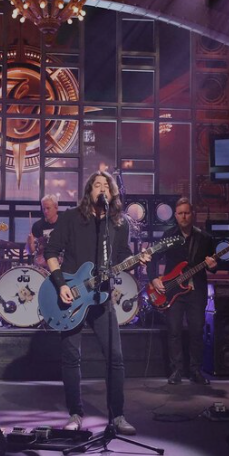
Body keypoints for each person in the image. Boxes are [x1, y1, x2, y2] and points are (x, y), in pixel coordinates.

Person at [44, 170, 150, 435]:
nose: (102, 188)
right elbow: (51, 252)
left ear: (112, 193)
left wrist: (138, 260)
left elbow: (123, 257)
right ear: (89, 191)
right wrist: (61, 284)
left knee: (115, 357)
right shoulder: (71, 218)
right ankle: (75, 414)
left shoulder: (119, 224)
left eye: (107, 185)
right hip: (72, 295)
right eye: (97, 185)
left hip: (101, 296)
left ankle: (117, 416)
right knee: (71, 357)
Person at [148, 198, 217, 385]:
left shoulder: (205, 238)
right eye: (180, 213)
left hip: (196, 291)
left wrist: (213, 266)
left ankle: (196, 370)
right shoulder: (169, 236)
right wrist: (154, 278)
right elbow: (153, 258)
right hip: (173, 291)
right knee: (174, 331)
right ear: (176, 216)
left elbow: (213, 265)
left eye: (186, 213)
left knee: (197, 331)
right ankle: (176, 371)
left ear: (192, 214)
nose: (183, 216)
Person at [26, 194, 60, 269]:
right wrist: (29, 243)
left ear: (56, 207)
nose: (45, 211)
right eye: (43, 209)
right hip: (43, 266)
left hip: (61, 264)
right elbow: (30, 251)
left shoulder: (64, 223)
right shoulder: (37, 226)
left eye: (48, 208)